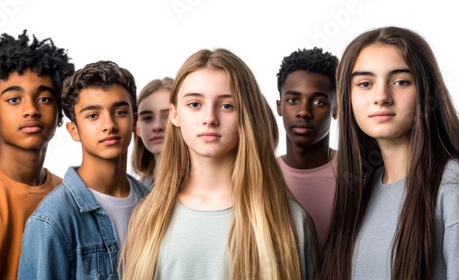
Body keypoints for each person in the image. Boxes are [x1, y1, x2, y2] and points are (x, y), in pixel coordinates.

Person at [122, 48, 318, 280]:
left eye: (227, 105)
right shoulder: (147, 217)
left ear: (246, 113)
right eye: (195, 104)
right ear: (175, 114)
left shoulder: (289, 221)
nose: (210, 118)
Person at [320, 26, 459, 280]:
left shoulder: (451, 185)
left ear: (425, 91)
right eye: (365, 83)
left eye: (400, 82)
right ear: (346, 97)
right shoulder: (360, 191)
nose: (381, 96)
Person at [17, 61, 149, 279]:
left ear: (134, 121)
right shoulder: (52, 220)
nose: (109, 124)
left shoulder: (153, 204)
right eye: (92, 115)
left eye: (119, 111)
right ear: (74, 130)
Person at [0, 30, 74, 280]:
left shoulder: (66, 194)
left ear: (59, 113)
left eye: (44, 98)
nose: (31, 109)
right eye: (14, 99)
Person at [275, 47, 338, 245]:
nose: (303, 112)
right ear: (279, 106)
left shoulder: (361, 174)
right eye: (293, 100)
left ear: (336, 109)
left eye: (319, 102)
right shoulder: (262, 174)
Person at [132, 77, 173, 187]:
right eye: (148, 118)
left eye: (167, 116)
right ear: (137, 128)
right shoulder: (137, 193)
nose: (157, 126)